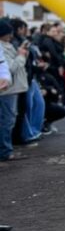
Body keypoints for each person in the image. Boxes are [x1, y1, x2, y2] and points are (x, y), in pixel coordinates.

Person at [0, 19, 30, 161]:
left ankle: (7, 148)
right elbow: (11, 67)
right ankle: (5, 150)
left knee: (9, 119)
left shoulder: (7, 45)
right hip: (8, 89)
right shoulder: (2, 48)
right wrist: (21, 56)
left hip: (12, 88)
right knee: (7, 119)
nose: (11, 35)